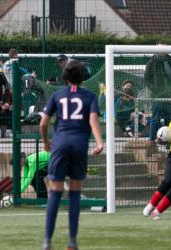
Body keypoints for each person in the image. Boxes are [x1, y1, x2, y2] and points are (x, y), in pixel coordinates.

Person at [39, 60, 103, 250]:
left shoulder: (57, 95)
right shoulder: (90, 96)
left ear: (65, 77)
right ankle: (72, 241)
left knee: (55, 191)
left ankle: (47, 241)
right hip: (79, 145)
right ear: (84, 77)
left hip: (60, 144)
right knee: (75, 191)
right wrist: (100, 142)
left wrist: (45, 141)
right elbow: (93, 120)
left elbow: (43, 123)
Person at [144, 41, 171, 141]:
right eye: (160, 48)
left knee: (170, 119)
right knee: (155, 119)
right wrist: (156, 90)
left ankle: (170, 143)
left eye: (165, 48)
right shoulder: (151, 62)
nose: (163, 51)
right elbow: (146, 79)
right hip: (156, 96)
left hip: (169, 96)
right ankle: (152, 142)